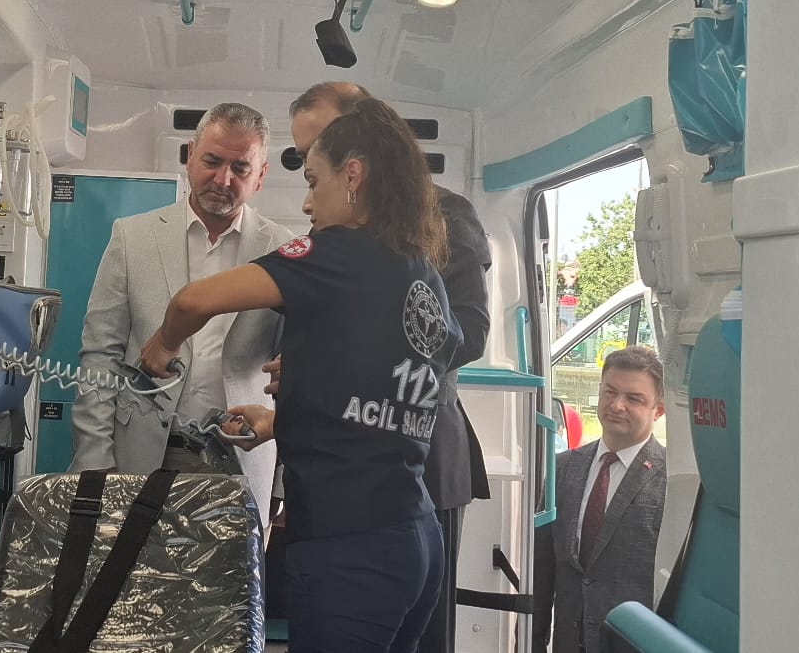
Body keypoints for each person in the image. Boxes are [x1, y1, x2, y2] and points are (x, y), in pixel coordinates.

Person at [139, 99, 458, 653]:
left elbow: (193, 301)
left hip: (349, 549)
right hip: (418, 537)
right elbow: (377, 403)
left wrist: (163, 344)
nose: (308, 203)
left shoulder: (333, 253)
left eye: (314, 181)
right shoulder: (421, 272)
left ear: (352, 176)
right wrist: (279, 422)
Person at [284, 81, 493, 653]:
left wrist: (361, 365)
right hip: (344, 465)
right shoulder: (333, 223)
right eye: (304, 157)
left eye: (322, 145)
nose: (314, 166)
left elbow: (468, 331)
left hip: (419, 455)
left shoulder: (443, 212)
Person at [69, 102, 295, 517]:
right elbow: (101, 355)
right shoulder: (132, 238)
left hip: (242, 459)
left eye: (240, 168)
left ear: (261, 176)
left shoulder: (284, 251)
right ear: (191, 156)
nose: (223, 179)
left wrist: (283, 480)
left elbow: (295, 371)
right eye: (212, 161)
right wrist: (94, 461)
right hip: (142, 457)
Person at [536, 346, 669, 652]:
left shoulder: (670, 481)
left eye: (633, 398)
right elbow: (542, 571)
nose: (617, 405)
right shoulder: (563, 468)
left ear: (658, 410)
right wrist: (533, 641)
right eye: (610, 392)